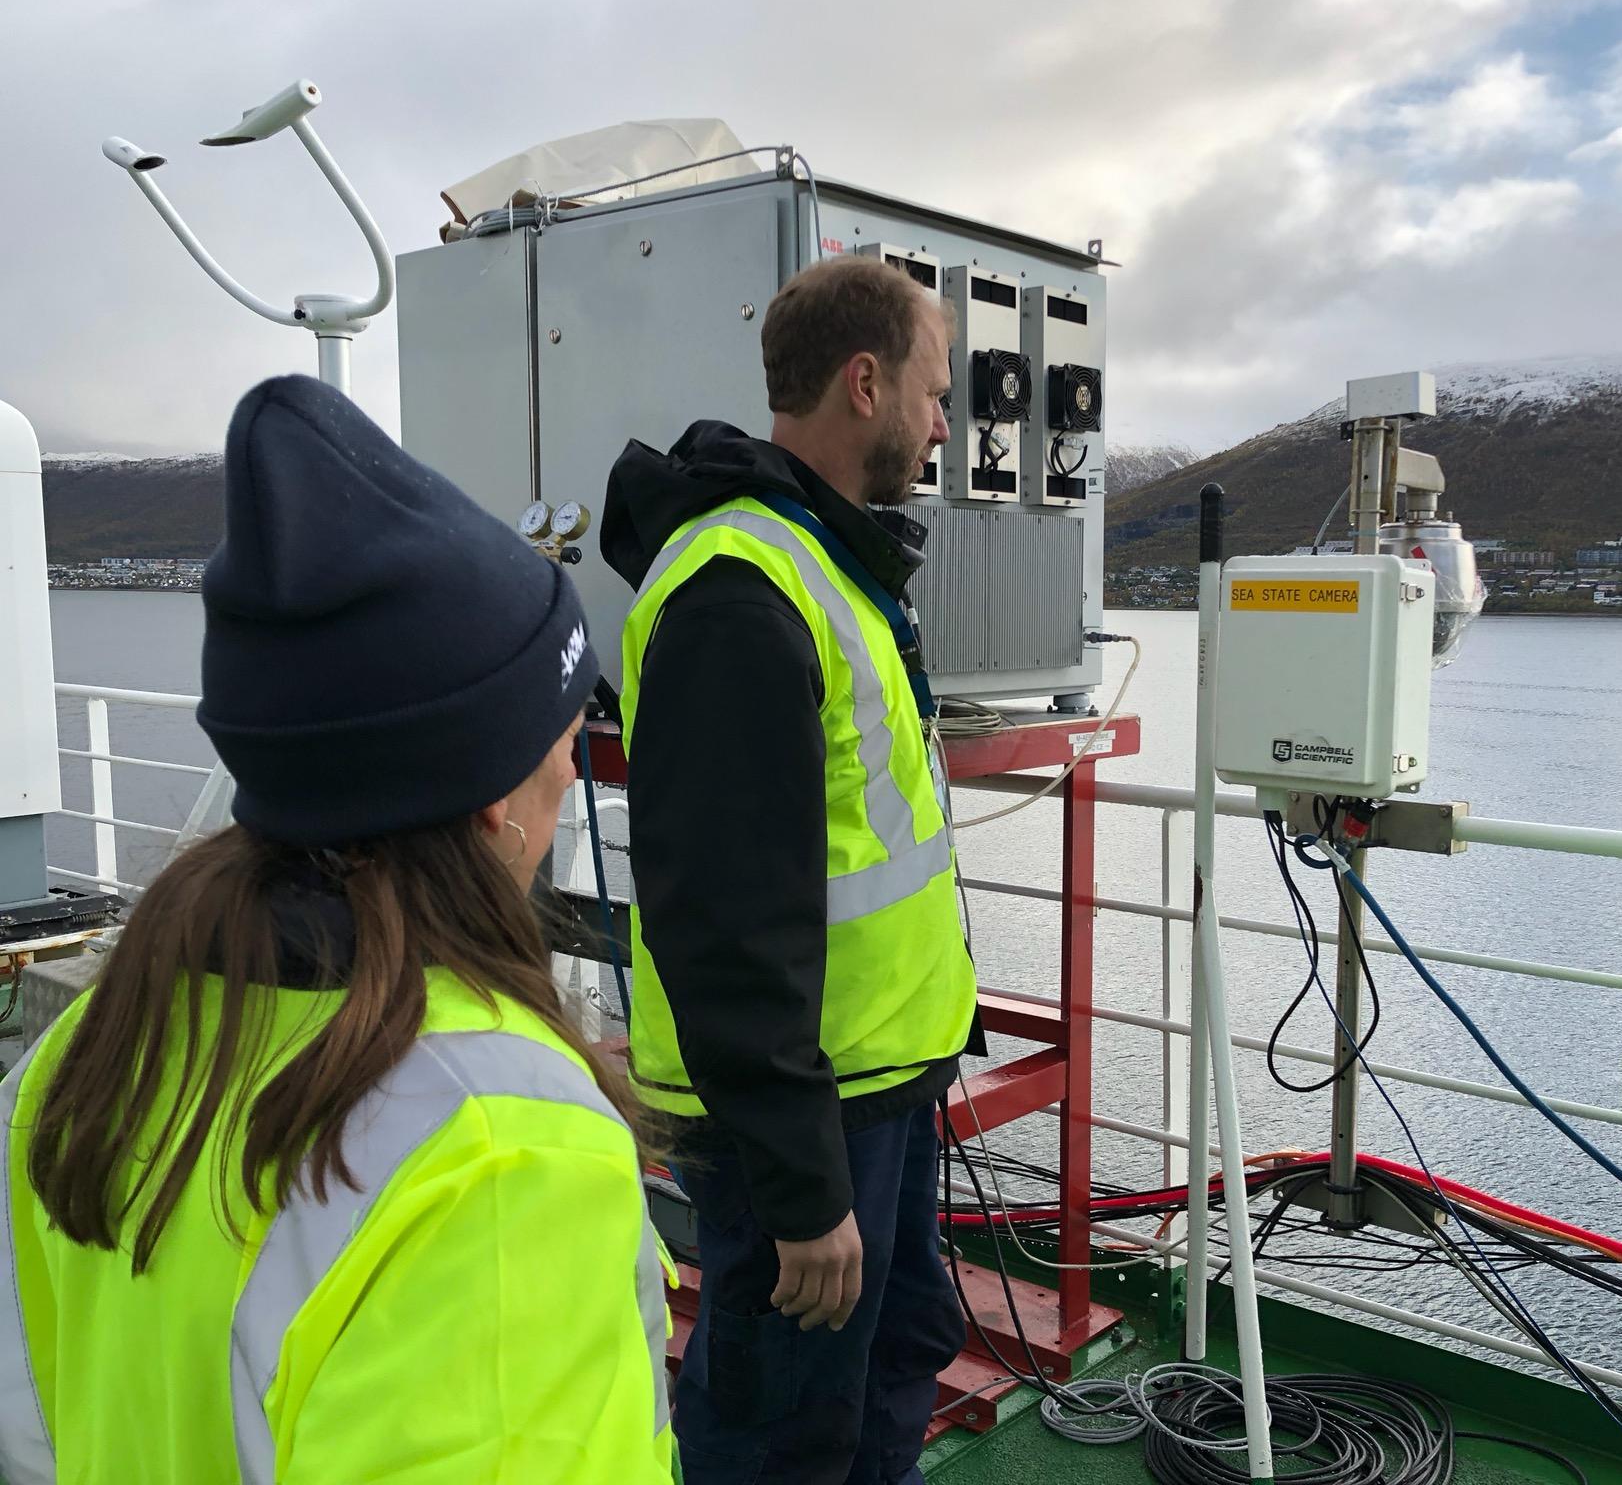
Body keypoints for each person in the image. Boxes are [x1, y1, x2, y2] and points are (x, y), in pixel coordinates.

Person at [0, 375, 677, 1485]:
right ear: (494, 798)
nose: (573, 770)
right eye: (562, 745)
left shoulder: (73, 1066)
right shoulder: (504, 1150)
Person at [601, 254, 976, 1485]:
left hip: (876, 1082)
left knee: (887, 1367)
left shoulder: (820, 559)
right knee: (778, 1435)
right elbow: (721, 918)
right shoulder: (739, 590)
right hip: (804, 1120)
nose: (940, 423)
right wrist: (805, 1190)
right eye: (931, 390)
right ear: (863, 384)